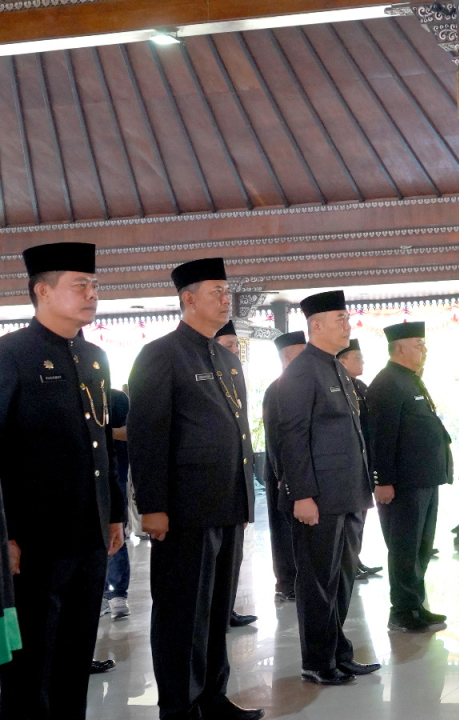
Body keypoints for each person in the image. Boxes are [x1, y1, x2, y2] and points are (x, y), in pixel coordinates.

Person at [129, 257, 261, 720]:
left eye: (228, 291)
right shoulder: (161, 354)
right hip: (185, 510)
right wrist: (153, 506)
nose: (227, 299)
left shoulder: (225, 356)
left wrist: (245, 498)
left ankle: (212, 697)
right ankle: (180, 707)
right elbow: (147, 435)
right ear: (187, 299)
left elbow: (241, 432)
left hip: (227, 505)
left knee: (216, 611)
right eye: (216, 292)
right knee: (182, 614)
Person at [0, 242, 125, 720]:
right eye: (80, 285)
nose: (92, 294)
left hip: (89, 532)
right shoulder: (11, 354)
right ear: (42, 291)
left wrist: (113, 511)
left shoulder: (94, 357)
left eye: (94, 286)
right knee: (33, 662)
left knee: (76, 652)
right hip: (34, 538)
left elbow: (102, 443)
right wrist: (5, 534)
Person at [276, 290, 380, 685]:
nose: (347, 325)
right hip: (318, 497)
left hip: (348, 494)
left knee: (342, 577)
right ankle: (316, 661)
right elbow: (293, 435)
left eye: (347, 318)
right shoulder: (303, 370)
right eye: (340, 319)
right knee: (318, 581)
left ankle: (339, 651)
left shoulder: (334, 367)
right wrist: (302, 494)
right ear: (315, 325)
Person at [367, 322, 451, 634]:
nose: (424, 349)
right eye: (419, 344)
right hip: (402, 484)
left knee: (421, 548)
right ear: (400, 348)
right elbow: (381, 438)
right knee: (404, 548)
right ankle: (401, 611)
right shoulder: (387, 384)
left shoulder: (409, 380)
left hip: (424, 480)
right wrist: (382, 480)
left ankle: (416, 605)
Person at [213, 322, 258, 630]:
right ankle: (214, 614)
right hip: (209, 487)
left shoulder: (234, 376)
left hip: (235, 484)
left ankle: (226, 610)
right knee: (212, 561)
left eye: (235, 345)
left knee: (233, 558)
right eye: (228, 344)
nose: (233, 351)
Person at [263, 331, 305, 603]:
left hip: (301, 473)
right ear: (288, 356)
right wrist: (283, 477)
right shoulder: (277, 388)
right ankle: (286, 582)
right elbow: (274, 437)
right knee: (283, 531)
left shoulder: (304, 384)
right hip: (282, 475)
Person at [337, 339, 383, 581]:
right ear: (341, 361)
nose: (362, 361)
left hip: (365, 461)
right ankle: (347, 563)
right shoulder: (337, 387)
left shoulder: (361, 386)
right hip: (348, 463)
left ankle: (356, 559)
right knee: (348, 519)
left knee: (361, 517)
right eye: (357, 357)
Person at [103, 387, 131, 620]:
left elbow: (129, 432)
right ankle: (101, 593)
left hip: (114, 475)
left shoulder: (116, 398)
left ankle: (118, 593)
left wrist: (97, 431)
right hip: (79, 480)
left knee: (116, 533)